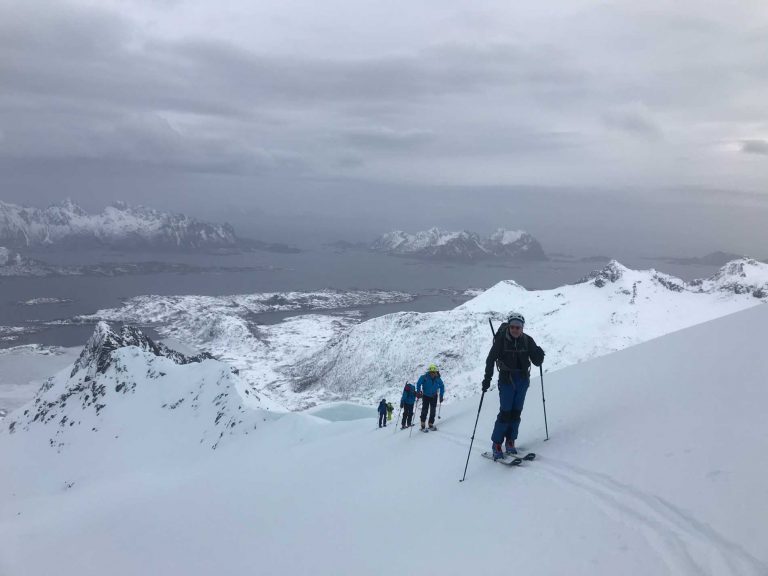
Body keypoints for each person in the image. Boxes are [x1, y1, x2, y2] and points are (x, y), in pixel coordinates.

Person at [481, 312, 545, 460]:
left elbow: (536, 361)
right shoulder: (501, 341)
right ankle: (497, 444)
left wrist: (539, 354)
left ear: (522, 328)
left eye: (518, 327)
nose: (515, 329)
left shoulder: (528, 340)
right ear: (509, 327)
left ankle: (510, 441)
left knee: (516, 412)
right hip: (506, 380)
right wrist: (487, 379)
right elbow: (490, 360)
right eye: (513, 327)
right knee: (505, 413)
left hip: (522, 380)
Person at [416, 364, 444, 431]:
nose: (432, 374)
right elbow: (418, 383)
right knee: (424, 410)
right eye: (431, 372)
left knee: (433, 411)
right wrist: (418, 391)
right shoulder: (424, 377)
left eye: (433, 372)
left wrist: (441, 395)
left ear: (435, 372)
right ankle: (423, 424)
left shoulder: (438, 379)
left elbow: (442, 386)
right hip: (425, 396)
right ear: (429, 372)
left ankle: (430, 423)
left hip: (434, 396)